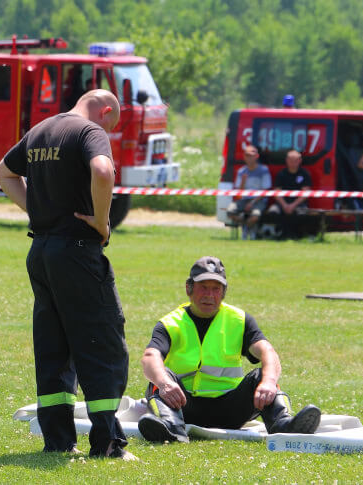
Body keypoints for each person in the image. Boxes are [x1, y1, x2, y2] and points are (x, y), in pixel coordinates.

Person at [0, 90, 136, 460]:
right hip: (76, 251)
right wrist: (102, 222)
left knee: (53, 345)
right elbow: (103, 171)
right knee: (99, 340)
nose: (108, 130)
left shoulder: (40, 131)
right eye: (112, 124)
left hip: (40, 250)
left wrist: (38, 211)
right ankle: (107, 444)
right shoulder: (89, 131)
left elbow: (3, 173)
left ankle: (58, 440)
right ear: (105, 111)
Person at [138, 256, 322, 443]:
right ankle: (171, 430)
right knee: (159, 378)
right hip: (183, 408)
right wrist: (164, 383)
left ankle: (284, 426)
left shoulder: (239, 320)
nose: (209, 295)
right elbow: (150, 357)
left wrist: (268, 381)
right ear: (189, 288)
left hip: (230, 409)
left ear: (224, 292)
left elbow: (267, 351)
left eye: (216, 289)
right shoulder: (170, 323)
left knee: (262, 376)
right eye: (203, 287)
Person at [227, 145, 271, 239]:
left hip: (258, 200)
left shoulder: (263, 171)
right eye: (247, 155)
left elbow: (265, 191)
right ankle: (246, 225)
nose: (249, 157)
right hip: (244, 200)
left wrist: (252, 202)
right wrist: (243, 182)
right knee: (230, 211)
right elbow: (239, 193)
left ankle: (247, 228)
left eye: (251, 155)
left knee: (255, 215)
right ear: (244, 157)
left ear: (256, 156)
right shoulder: (241, 171)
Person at [268, 149, 312, 239]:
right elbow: (277, 192)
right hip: (283, 202)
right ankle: (280, 233)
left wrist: (292, 205)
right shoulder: (281, 174)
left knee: (302, 213)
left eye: (295, 160)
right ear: (286, 161)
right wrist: (284, 205)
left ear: (300, 161)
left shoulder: (304, 174)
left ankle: (297, 234)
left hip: (298, 203)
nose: (293, 163)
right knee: (273, 211)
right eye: (290, 160)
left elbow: (305, 193)